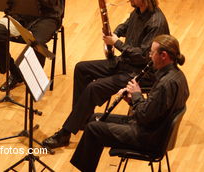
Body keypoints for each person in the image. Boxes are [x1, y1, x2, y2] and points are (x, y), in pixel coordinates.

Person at [43, 0, 170, 148]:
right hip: (125, 64)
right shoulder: (138, 11)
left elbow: (143, 56)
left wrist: (116, 43)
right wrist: (114, 32)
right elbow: (125, 26)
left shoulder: (156, 22)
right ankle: (82, 120)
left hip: (140, 74)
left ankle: (65, 133)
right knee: (81, 68)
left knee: (94, 87)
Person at [70, 34, 189, 172]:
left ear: (163, 55)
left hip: (148, 137)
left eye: (152, 53)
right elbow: (154, 110)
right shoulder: (178, 76)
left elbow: (145, 117)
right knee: (93, 118)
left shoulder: (165, 84)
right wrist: (132, 100)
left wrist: (136, 94)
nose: (149, 56)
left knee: (93, 129)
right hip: (154, 129)